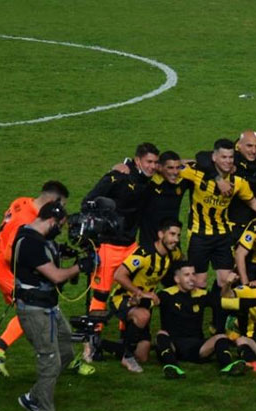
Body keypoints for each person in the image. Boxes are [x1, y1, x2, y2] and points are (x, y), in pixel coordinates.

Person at [12, 201, 94, 411]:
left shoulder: (37, 237)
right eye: (60, 225)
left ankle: (33, 397)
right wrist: (80, 267)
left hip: (49, 306)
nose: (61, 230)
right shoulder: (30, 244)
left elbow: (49, 251)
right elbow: (56, 276)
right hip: (34, 310)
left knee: (65, 352)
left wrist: (61, 251)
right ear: (51, 221)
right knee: (49, 359)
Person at [179, 138, 256, 333]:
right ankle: (194, 329)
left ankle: (218, 326)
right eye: (223, 157)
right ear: (214, 158)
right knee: (199, 283)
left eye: (230, 157)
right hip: (199, 235)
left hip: (222, 236)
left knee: (225, 281)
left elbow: (253, 202)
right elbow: (175, 165)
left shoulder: (238, 182)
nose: (228, 161)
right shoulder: (198, 173)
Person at [0, 181, 69, 377]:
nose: (62, 210)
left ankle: (65, 354)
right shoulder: (27, 220)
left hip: (2, 267)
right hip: (8, 272)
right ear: (53, 200)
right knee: (33, 309)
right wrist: (36, 262)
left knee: (37, 309)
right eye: (62, 205)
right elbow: (10, 253)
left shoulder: (22, 202)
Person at [84, 142, 159, 314]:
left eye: (155, 162)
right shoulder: (118, 176)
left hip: (131, 245)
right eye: (149, 162)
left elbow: (173, 164)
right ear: (138, 160)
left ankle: (127, 328)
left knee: (131, 289)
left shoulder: (146, 178)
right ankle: (94, 330)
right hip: (108, 246)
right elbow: (88, 201)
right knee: (101, 293)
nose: (153, 166)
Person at [110, 219, 182, 373]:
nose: (176, 239)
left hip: (143, 302)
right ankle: (127, 357)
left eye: (178, 235)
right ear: (161, 234)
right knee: (143, 316)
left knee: (143, 356)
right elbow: (119, 275)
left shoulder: (174, 253)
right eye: (172, 234)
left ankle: (101, 344)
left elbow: (181, 266)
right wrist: (141, 293)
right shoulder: (143, 254)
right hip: (123, 298)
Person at [154, 261, 245, 379]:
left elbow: (225, 301)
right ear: (177, 279)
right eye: (187, 275)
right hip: (173, 346)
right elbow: (148, 303)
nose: (192, 278)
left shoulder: (202, 294)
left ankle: (228, 365)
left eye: (193, 274)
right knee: (161, 334)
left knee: (221, 337)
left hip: (197, 347)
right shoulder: (166, 295)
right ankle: (172, 366)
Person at [138, 151, 192, 248]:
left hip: (172, 241)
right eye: (170, 168)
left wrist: (183, 161)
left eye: (178, 167)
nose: (175, 172)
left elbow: (203, 162)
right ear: (160, 167)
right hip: (150, 242)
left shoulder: (181, 182)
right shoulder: (149, 183)